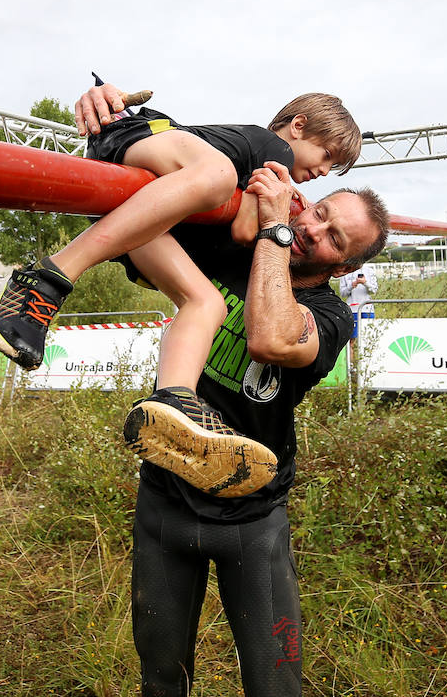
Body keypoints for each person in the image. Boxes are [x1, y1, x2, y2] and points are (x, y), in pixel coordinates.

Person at [76, 82, 391, 697]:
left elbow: (271, 338)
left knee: (274, 684)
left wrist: (275, 232)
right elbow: (153, 189)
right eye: (320, 211)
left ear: (347, 266)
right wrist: (113, 114)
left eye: (335, 238)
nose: (313, 230)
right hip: (166, 502)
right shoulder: (228, 242)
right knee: (162, 677)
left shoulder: (330, 317)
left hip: (251, 516)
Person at [0, 85, 362, 434]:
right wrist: (282, 204)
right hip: (137, 139)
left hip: (145, 214)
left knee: (207, 303)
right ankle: (50, 276)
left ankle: (174, 403)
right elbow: (247, 231)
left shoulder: (269, 172)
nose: (325, 171)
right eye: (328, 155)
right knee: (217, 175)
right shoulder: (272, 149)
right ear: (298, 126)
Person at [338, 266, 378, 338]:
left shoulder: (369, 270)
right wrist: (352, 286)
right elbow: (342, 293)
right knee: (352, 338)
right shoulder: (345, 272)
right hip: (352, 310)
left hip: (367, 309)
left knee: (368, 337)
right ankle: (352, 349)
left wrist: (365, 283)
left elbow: (374, 290)